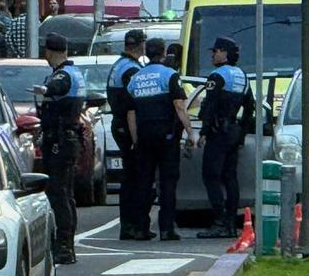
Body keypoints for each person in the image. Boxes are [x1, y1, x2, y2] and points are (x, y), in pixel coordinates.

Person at [128, 37, 195, 241]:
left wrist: (135, 140)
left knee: (144, 183)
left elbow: (131, 113)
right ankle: (166, 229)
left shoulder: (136, 78)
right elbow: (179, 106)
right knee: (167, 183)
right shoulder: (170, 75)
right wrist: (190, 132)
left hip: (144, 137)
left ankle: (141, 228)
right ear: (164, 53)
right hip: (166, 137)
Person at [34, 34, 86, 263]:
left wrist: (45, 89)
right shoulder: (74, 73)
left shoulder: (63, 75)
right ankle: (66, 245)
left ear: (48, 52)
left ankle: (64, 247)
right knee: (66, 194)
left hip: (60, 142)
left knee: (58, 194)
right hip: (66, 139)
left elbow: (56, 87)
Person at [197, 36, 255, 240]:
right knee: (230, 177)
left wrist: (203, 132)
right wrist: (241, 135)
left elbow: (210, 106)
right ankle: (231, 222)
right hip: (233, 132)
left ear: (224, 53)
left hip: (218, 132)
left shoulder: (217, 76)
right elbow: (250, 108)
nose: (213, 54)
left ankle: (219, 222)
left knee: (210, 175)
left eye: (216, 51)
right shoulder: (242, 76)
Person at [107, 29, 146, 240]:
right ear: (141, 45)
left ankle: (128, 225)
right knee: (134, 179)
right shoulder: (132, 70)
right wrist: (136, 138)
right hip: (128, 127)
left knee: (129, 178)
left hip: (118, 124)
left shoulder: (119, 65)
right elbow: (133, 106)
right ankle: (132, 225)